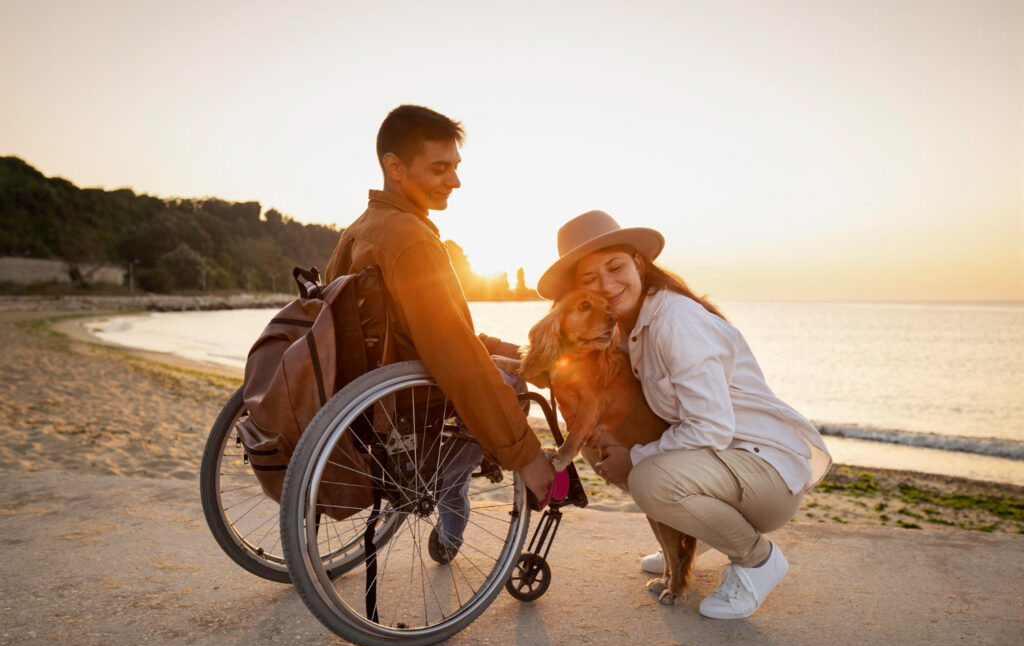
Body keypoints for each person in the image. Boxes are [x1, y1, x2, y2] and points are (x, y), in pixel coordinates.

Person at [536, 210, 832, 619]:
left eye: (616, 266)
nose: (606, 285)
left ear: (638, 264)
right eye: (589, 279)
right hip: (723, 467)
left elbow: (709, 428)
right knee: (616, 454)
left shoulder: (677, 322)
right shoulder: (624, 325)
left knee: (647, 477)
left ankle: (757, 560)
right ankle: (682, 545)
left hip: (765, 477)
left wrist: (636, 459)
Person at [324, 105, 554, 560]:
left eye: (455, 167)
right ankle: (461, 505)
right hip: (410, 401)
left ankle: (456, 507)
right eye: (439, 168)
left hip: (367, 391)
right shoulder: (412, 241)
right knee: (513, 386)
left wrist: (494, 352)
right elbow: (454, 358)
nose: (455, 181)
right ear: (395, 167)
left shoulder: (361, 229)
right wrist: (525, 454)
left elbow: (420, 329)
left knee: (508, 356)